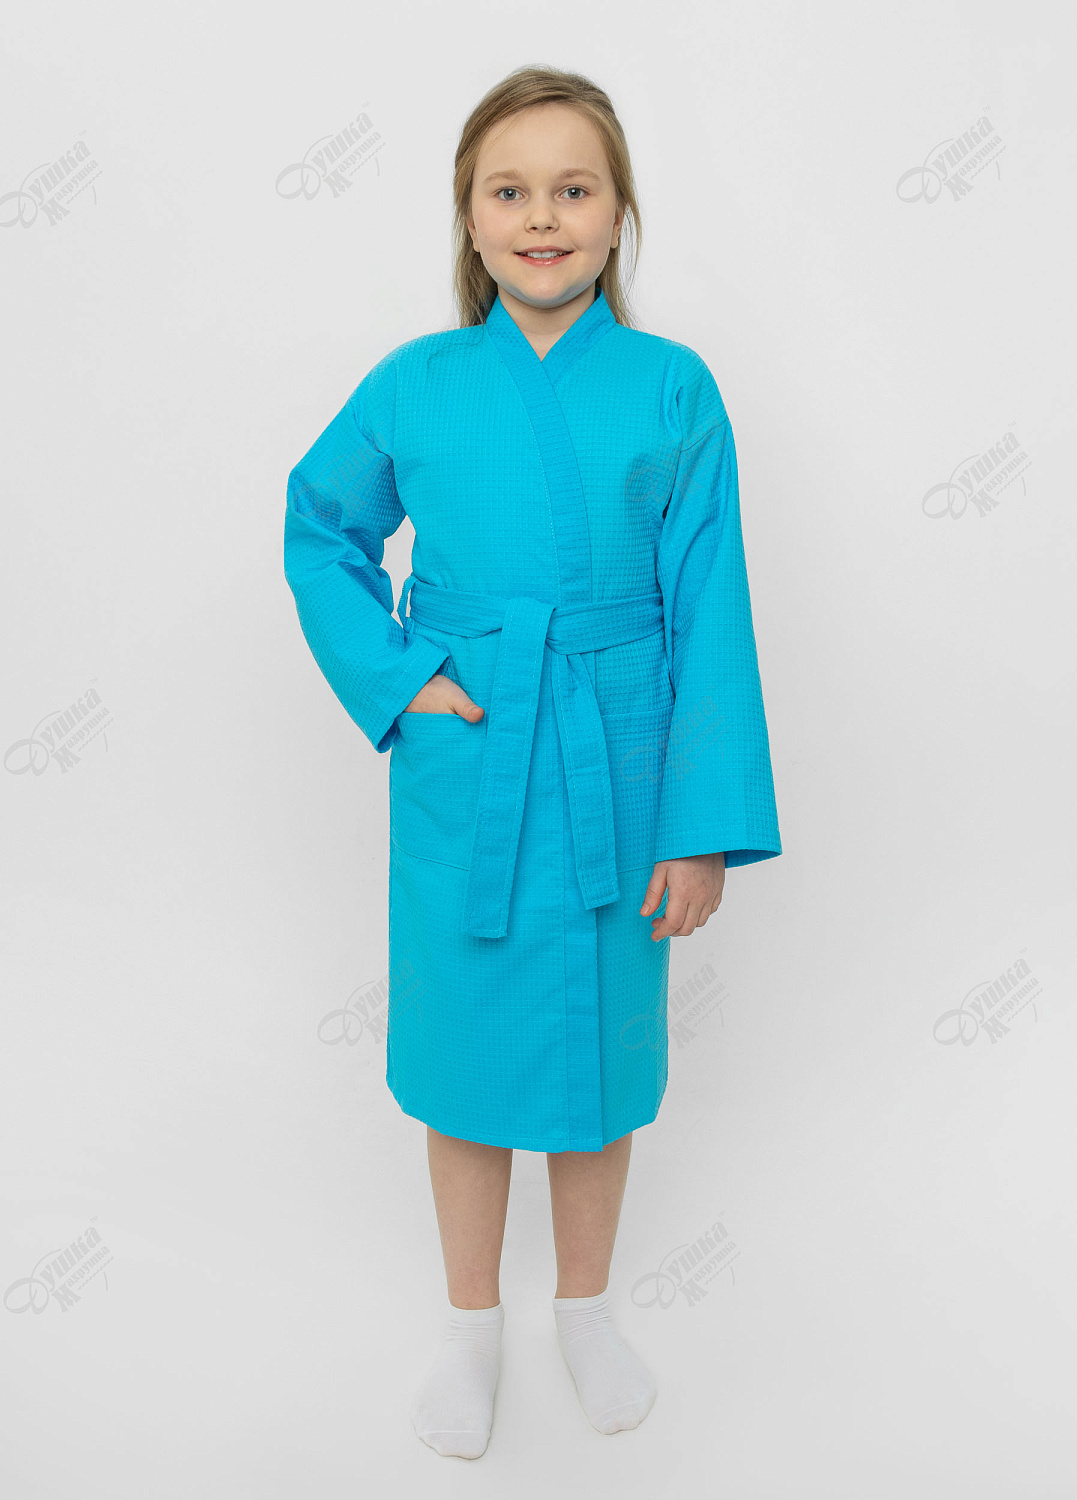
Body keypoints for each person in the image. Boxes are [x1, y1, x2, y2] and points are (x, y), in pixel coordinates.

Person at [283, 64, 782, 1460]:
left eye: (573, 189)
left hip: (619, 759)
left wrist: (698, 825)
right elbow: (318, 525)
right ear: (470, 216)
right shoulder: (416, 384)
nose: (542, 217)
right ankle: (468, 1327)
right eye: (510, 191)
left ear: (620, 212)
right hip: (473, 755)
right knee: (463, 1048)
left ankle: (585, 1308)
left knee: (601, 1055)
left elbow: (710, 610)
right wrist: (403, 681)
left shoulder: (673, 387)